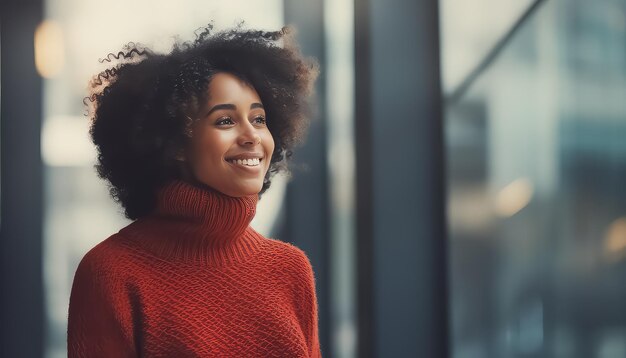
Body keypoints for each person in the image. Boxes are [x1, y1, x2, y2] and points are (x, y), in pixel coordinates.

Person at [67, 21, 321, 357]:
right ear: (174, 142)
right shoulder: (112, 272)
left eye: (259, 119)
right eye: (225, 121)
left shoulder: (290, 269)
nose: (252, 136)